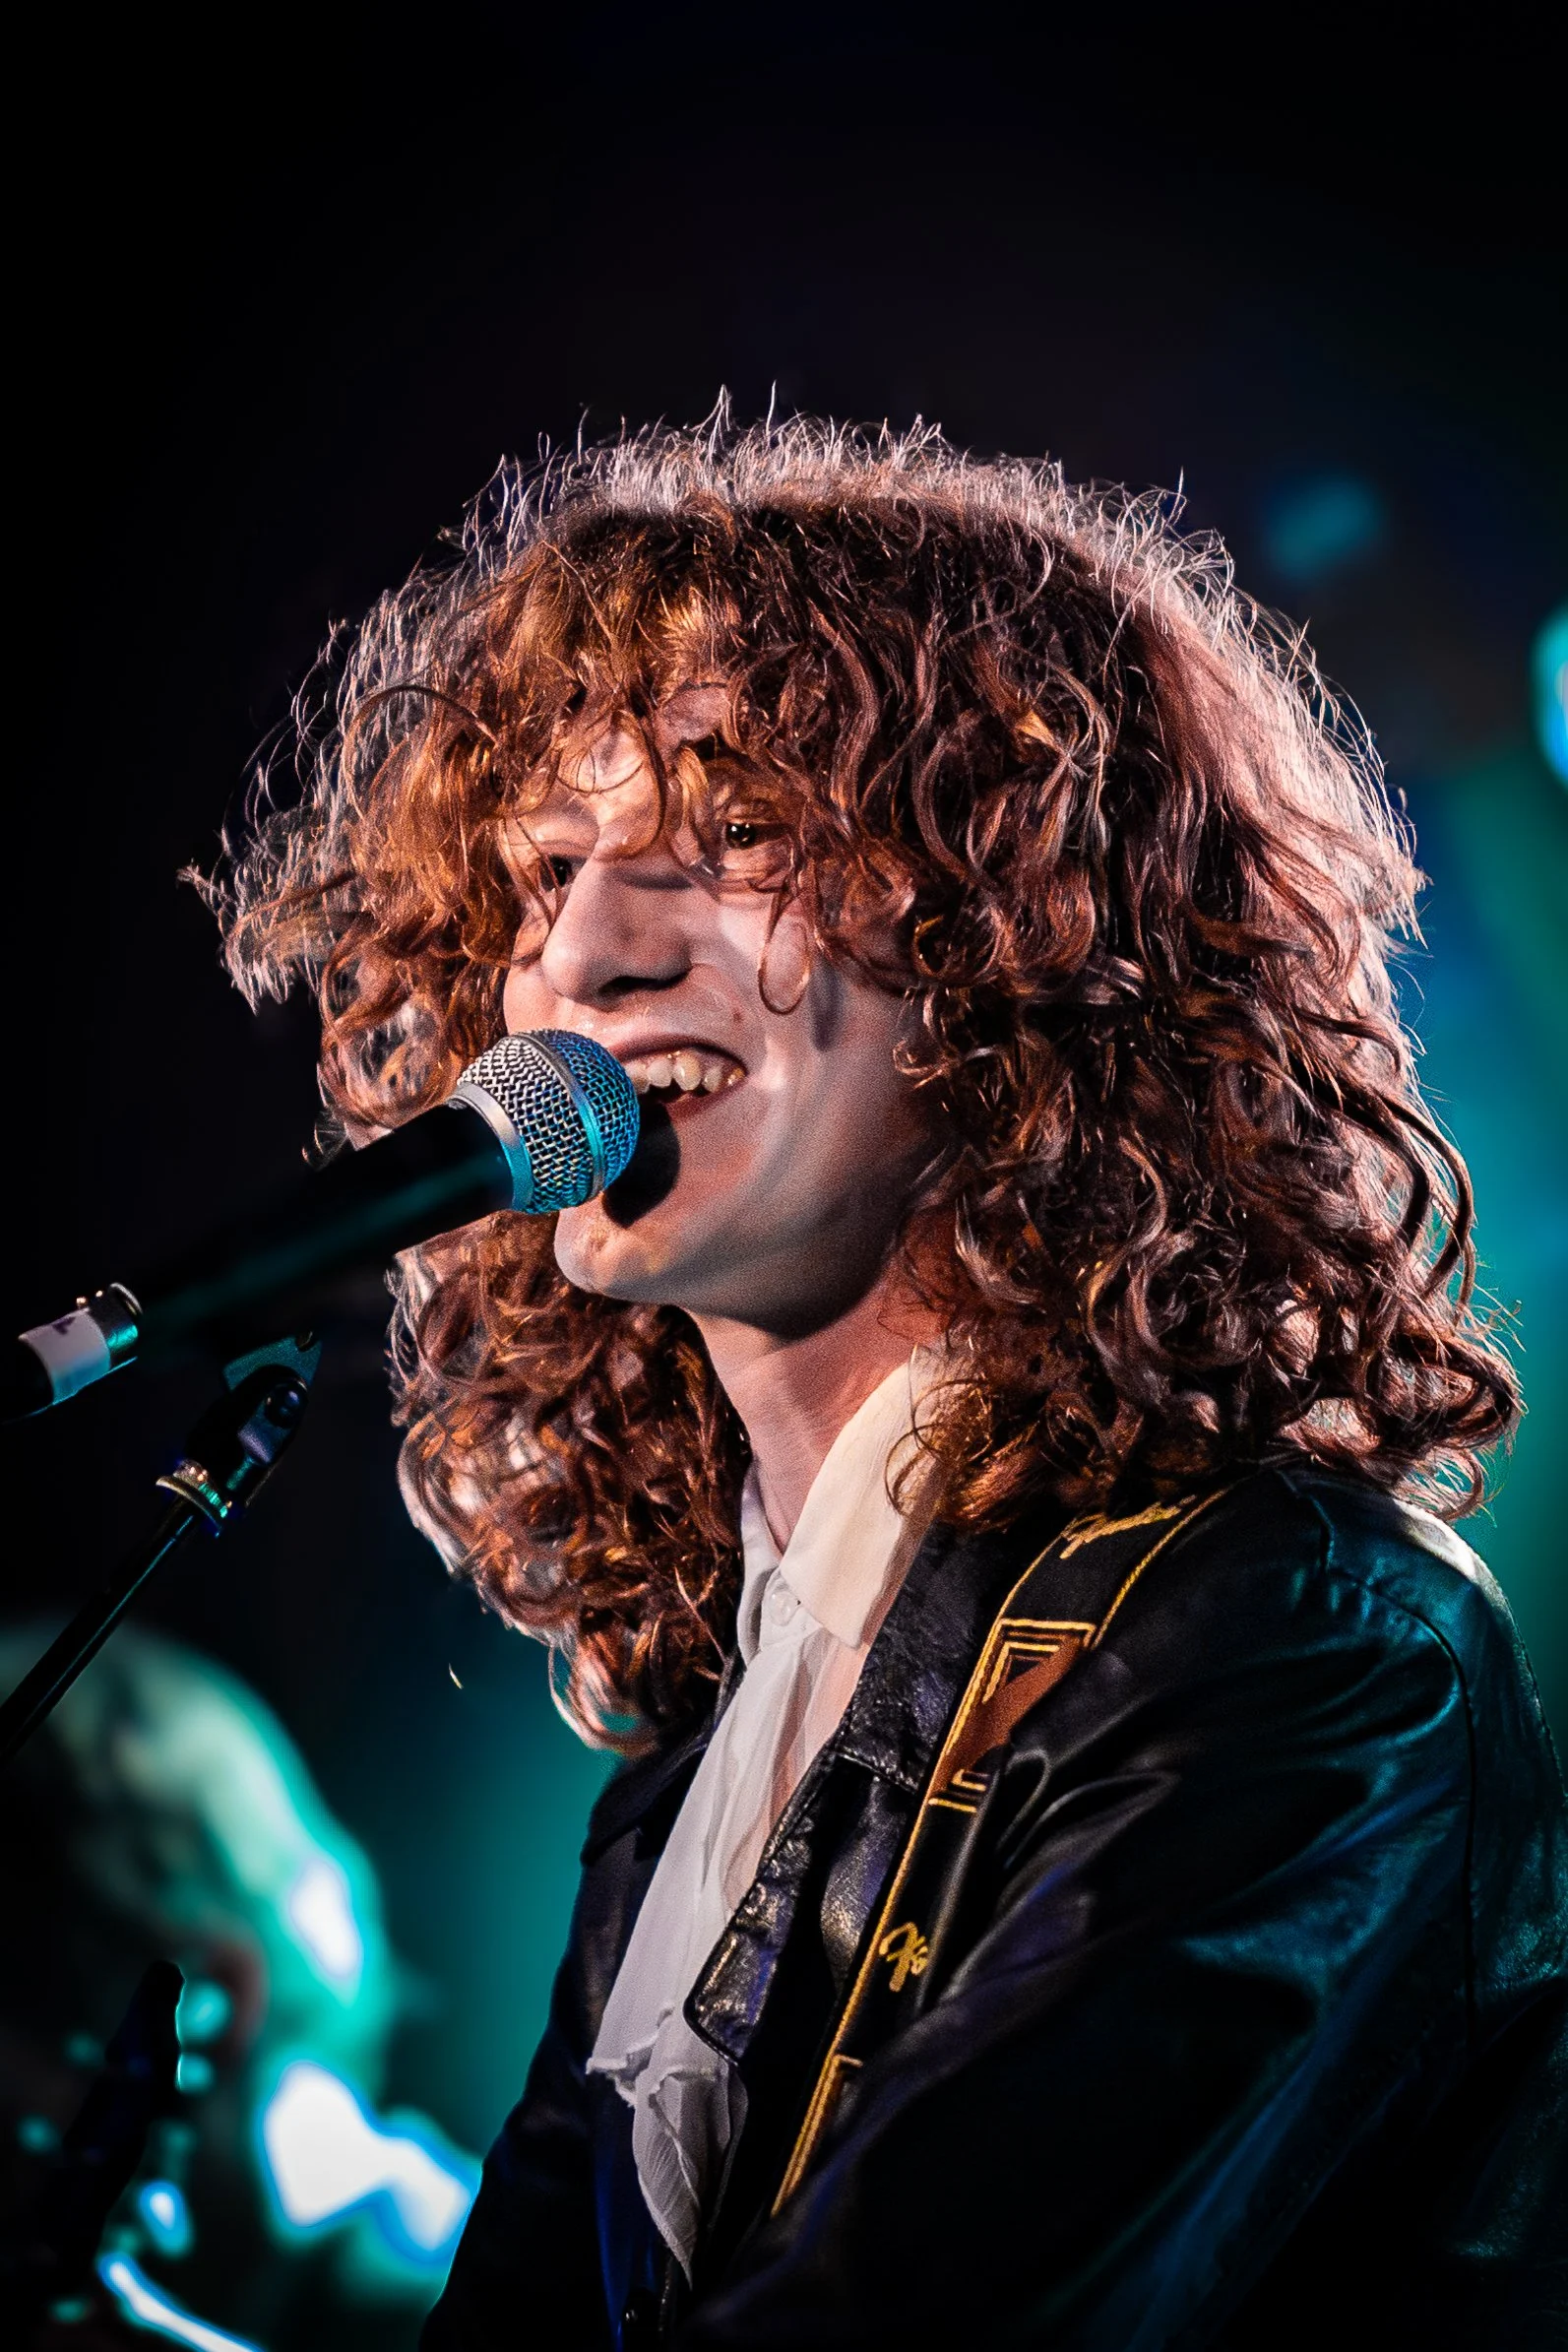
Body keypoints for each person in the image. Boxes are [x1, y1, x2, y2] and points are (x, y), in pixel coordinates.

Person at [219, 415, 1567, 2349]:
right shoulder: (715, 1739)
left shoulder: (1293, 1648)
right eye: (545, 873)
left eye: (738, 837)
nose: (585, 953)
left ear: (1020, 934)